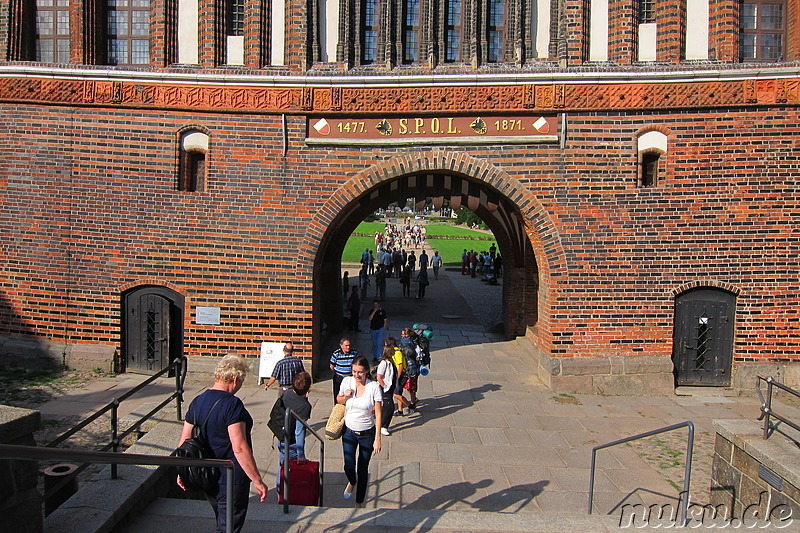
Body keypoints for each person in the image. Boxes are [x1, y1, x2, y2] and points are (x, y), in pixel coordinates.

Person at [177, 355, 267, 533]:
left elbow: (184, 441)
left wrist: (182, 471)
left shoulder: (197, 401)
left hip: (207, 474)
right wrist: (257, 480)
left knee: (222, 521)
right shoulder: (232, 405)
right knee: (228, 527)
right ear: (235, 379)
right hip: (230, 476)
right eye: (241, 382)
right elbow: (239, 447)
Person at [337, 356, 382, 507]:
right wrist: (345, 396)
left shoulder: (373, 387)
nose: (357, 375)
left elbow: (379, 413)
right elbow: (338, 400)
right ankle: (352, 480)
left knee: (363, 468)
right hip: (349, 431)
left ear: (367, 371)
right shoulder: (346, 382)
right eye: (354, 372)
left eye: (360, 372)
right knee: (349, 465)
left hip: (366, 433)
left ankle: (359, 502)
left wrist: (377, 439)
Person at [275, 371, 312, 487]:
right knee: (290, 471)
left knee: (282, 466)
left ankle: (279, 492)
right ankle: (287, 494)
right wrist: (301, 454)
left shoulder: (287, 393)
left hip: (281, 437)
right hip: (292, 443)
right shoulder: (305, 406)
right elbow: (299, 431)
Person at [375, 339, 396, 436]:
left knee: (387, 407)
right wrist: (385, 386)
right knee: (389, 407)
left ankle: (383, 425)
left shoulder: (390, 362)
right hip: (386, 388)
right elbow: (379, 377)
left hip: (390, 387)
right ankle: (383, 426)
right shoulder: (383, 363)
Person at [330, 338, 358, 402]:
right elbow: (332, 365)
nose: (348, 347)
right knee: (338, 394)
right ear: (341, 346)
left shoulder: (354, 353)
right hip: (339, 377)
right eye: (346, 346)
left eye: (349, 346)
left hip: (349, 377)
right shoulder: (336, 354)